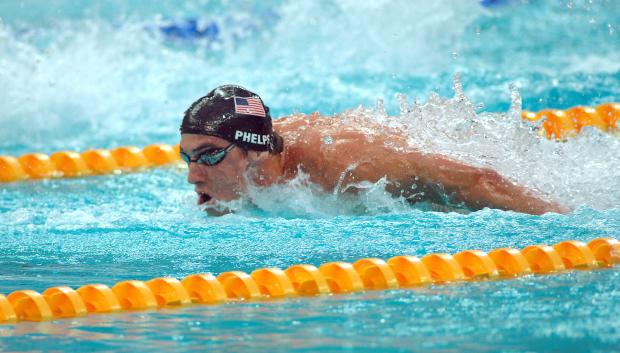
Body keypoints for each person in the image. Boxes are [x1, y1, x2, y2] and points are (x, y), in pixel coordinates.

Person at [179, 84, 568, 215]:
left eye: (209, 156)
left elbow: (481, 180)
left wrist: (565, 223)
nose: (194, 175)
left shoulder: (341, 164)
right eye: (188, 157)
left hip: (451, 169)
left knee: (442, 200)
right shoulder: (242, 175)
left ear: (255, 151)